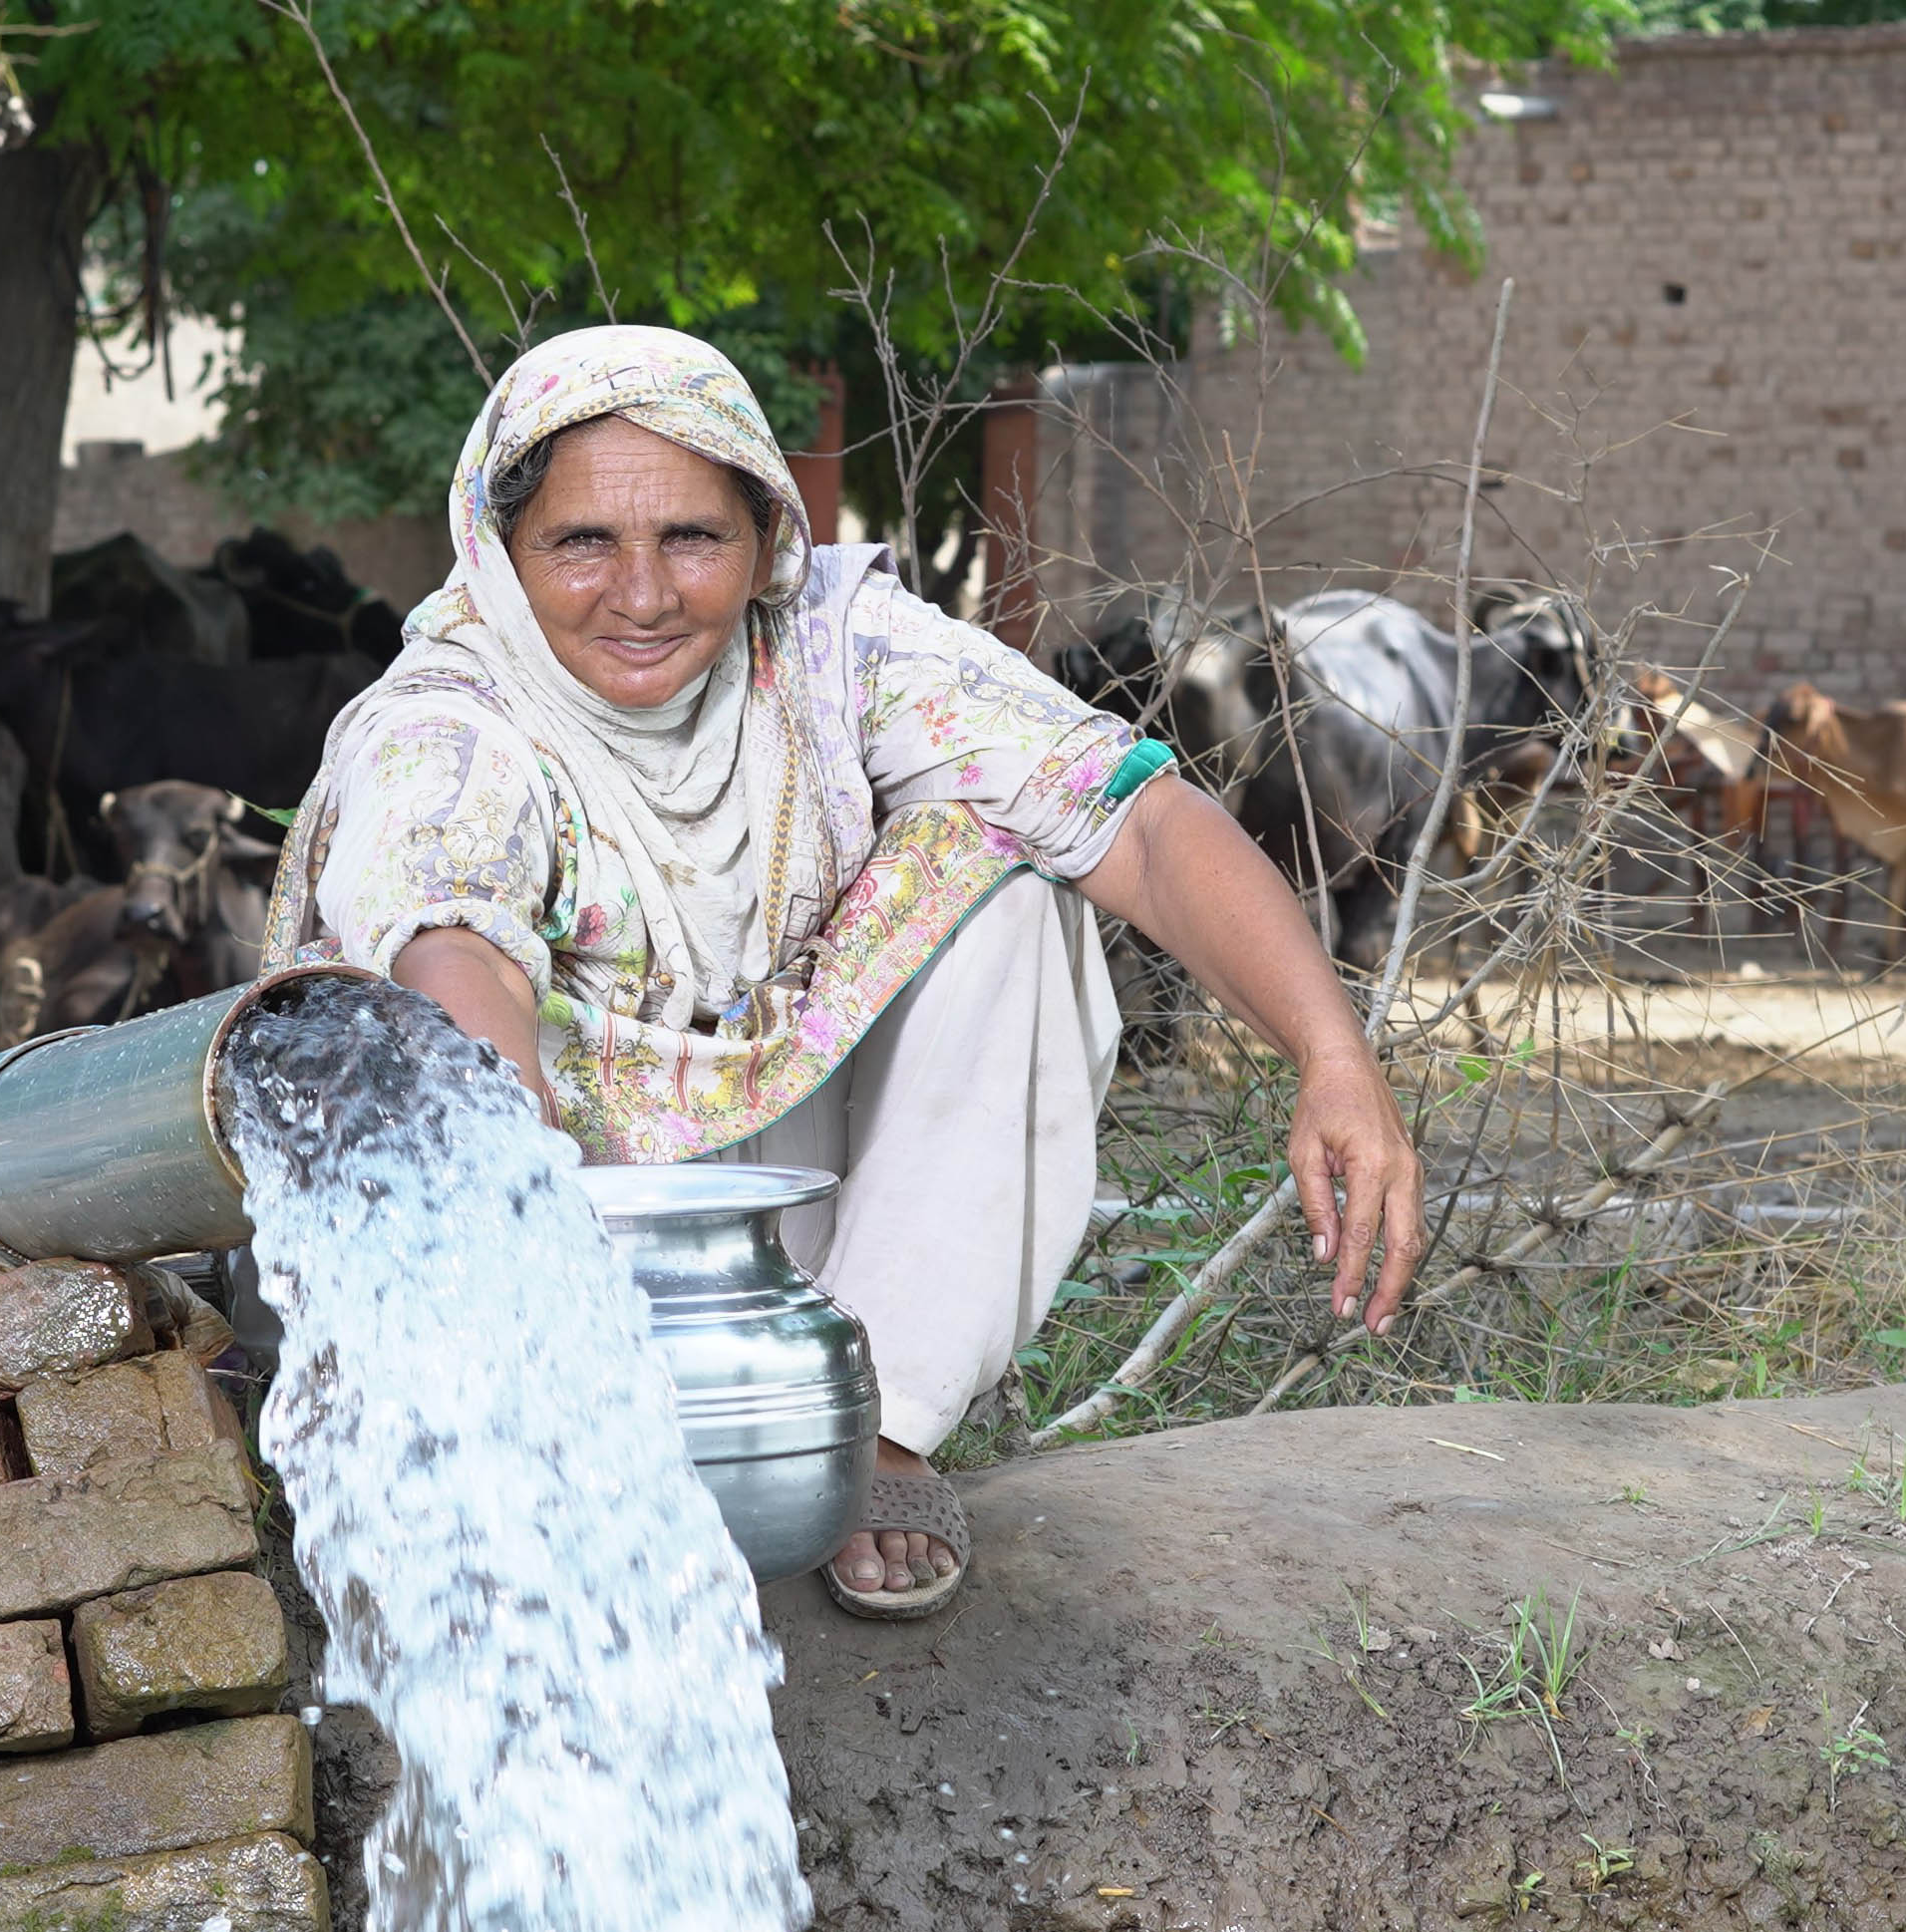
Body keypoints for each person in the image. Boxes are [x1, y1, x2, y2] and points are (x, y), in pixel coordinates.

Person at [260, 326, 1422, 1617]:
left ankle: (870, 1430)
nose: (641, 594)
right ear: (498, 548)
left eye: (692, 538)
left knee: (1012, 871)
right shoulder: (446, 726)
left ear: (763, 539)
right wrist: (513, 1196)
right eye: (581, 541)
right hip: (536, 1254)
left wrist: (1332, 1057)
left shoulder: (833, 650)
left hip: (777, 1245)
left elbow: (1138, 825)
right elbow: (448, 945)